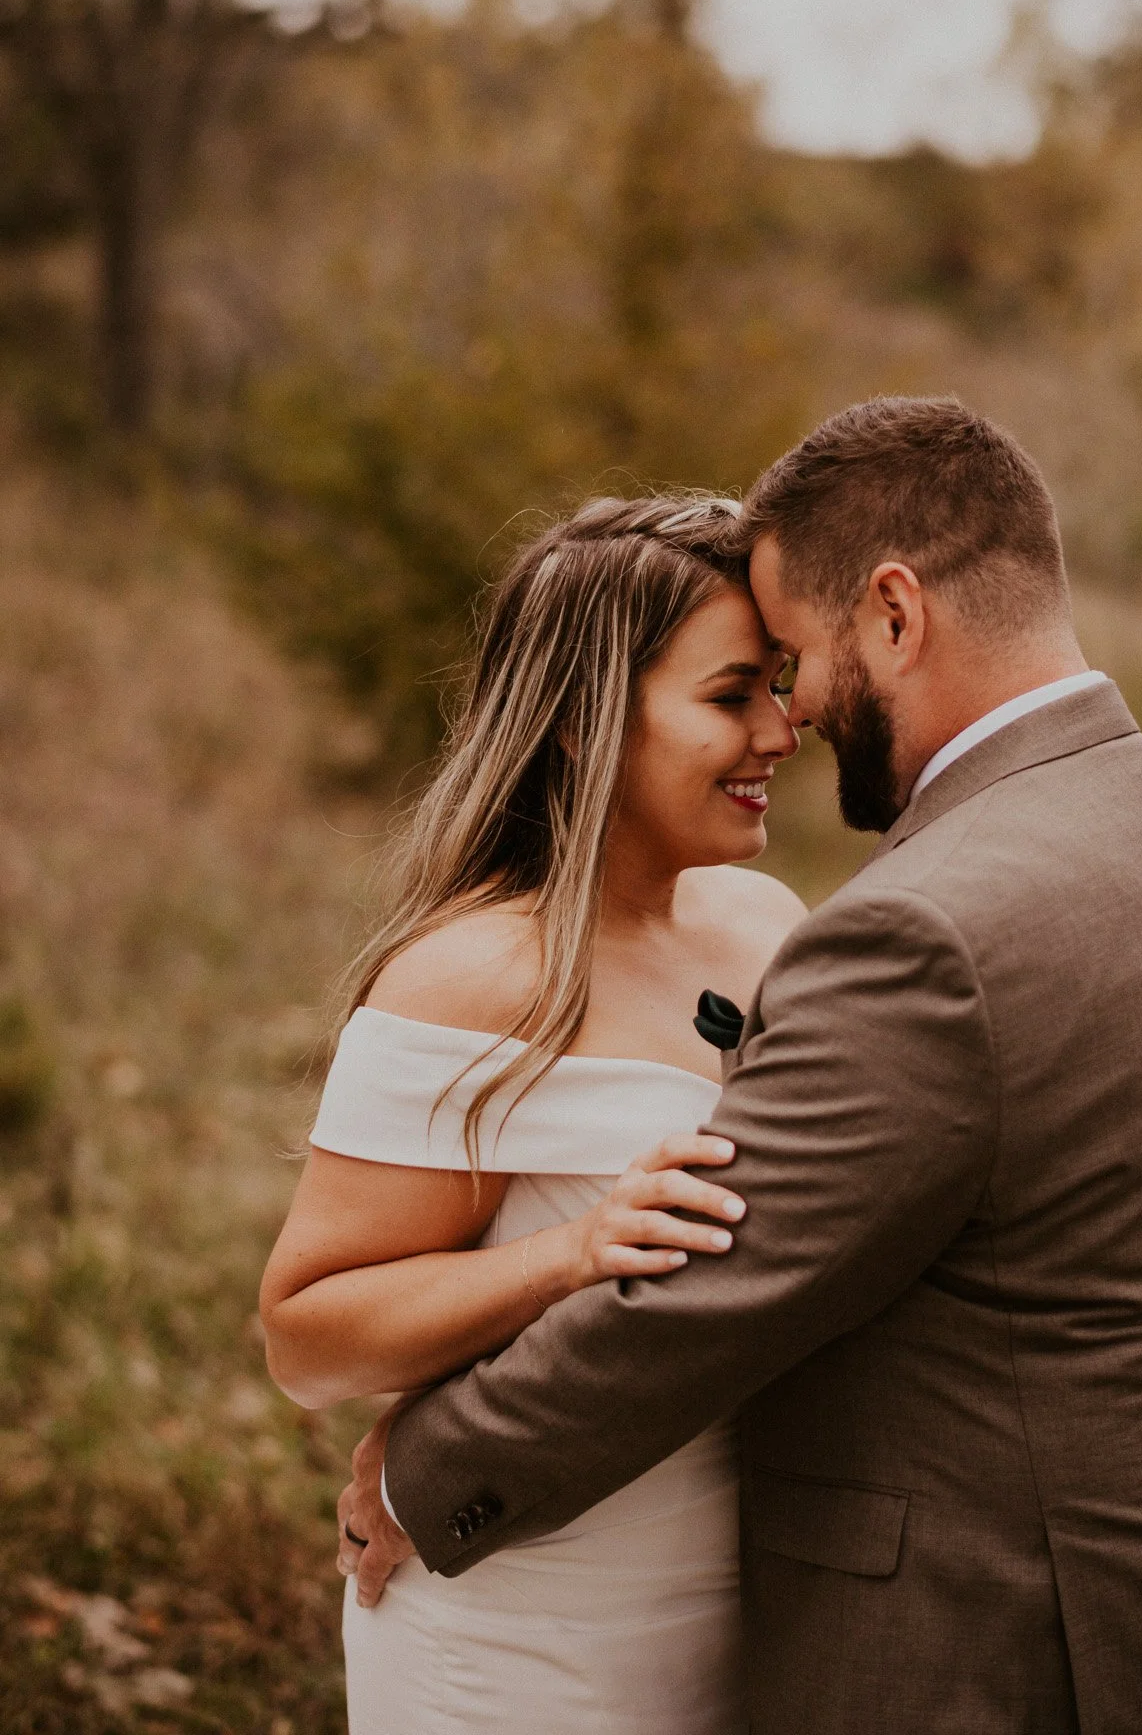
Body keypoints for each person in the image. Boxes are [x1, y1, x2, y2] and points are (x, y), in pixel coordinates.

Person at [339, 397, 1142, 1735]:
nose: (790, 720)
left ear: (894, 615)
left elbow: (720, 1286)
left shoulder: (925, 921)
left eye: (789, 657)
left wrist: (422, 1474)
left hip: (1004, 1635)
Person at [259, 494, 804, 1734]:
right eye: (731, 695)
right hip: (524, 1630)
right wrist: (570, 1253)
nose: (781, 727)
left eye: (776, 685)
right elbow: (306, 1337)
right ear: (583, 719)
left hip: (754, 1601)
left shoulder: (769, 929)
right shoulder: (471, 980)